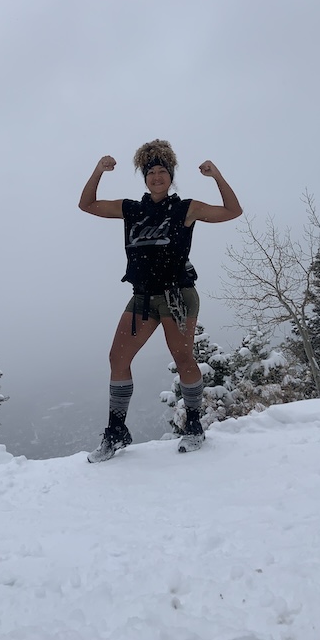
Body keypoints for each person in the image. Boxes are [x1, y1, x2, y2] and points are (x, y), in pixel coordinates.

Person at [78, 139, 242, 462]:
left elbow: (233, 211)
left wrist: (217, 176)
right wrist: (98, 170)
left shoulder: (185, 209)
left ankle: (194, 426)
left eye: (162, 171)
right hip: (142, 299)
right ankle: (116, 432)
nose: (156, 177)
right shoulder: (132, 209)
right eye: (151, 172)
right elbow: (87, 204)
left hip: (177, 296)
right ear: (144, 177)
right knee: (117, 358)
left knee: (183, 359)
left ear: (171, 176)